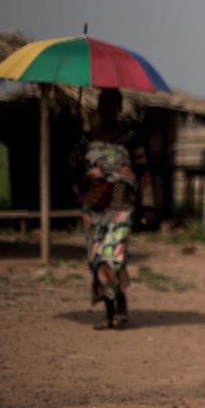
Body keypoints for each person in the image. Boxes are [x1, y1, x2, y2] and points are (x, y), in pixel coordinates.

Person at [75, 88, 150, 329]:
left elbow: (143, 173)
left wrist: (146, 204)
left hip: (120, 205)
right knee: (97, 259)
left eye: (111, 105)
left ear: (119, 108)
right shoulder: (87, 139)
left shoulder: (130, 138)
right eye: (103, 104)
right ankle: (110, 313)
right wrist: (82, 188)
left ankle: (122, 302)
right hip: (93, 208)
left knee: (116, 258)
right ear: (98, 107)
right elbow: (73, 171)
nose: (107, 109)